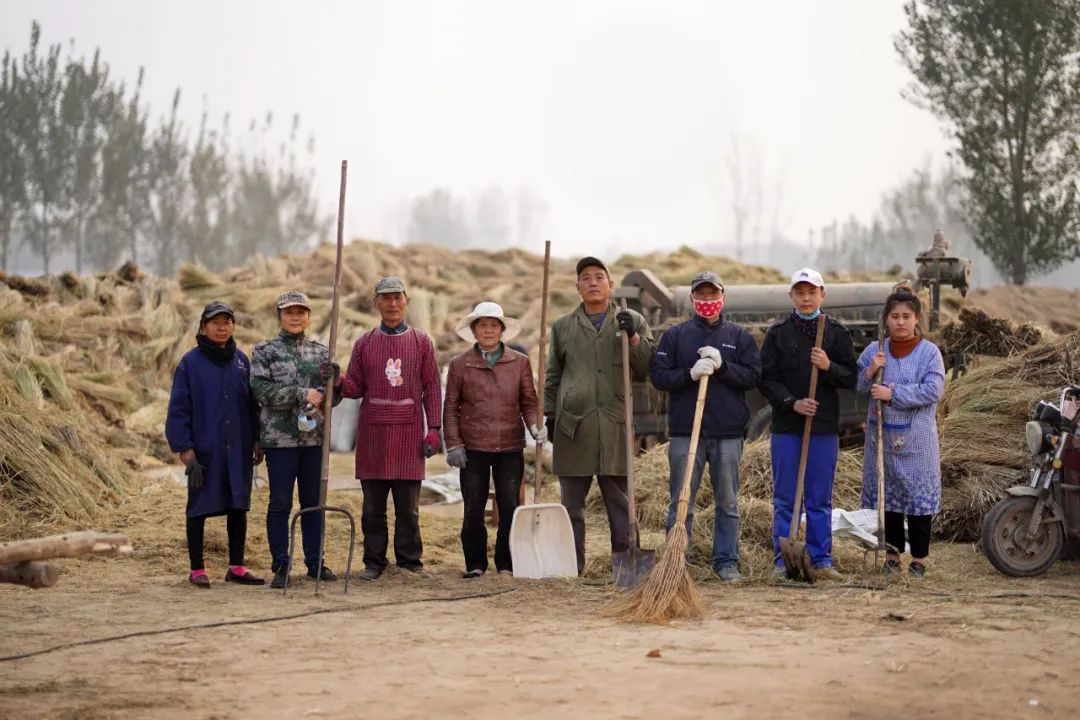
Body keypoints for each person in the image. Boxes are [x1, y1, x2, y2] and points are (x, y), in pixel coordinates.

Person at [545, 256, 656, 575]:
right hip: (573, 426)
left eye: (599, 277)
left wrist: (633, 337)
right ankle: (572, 566)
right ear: (578, 287)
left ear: (611, 284)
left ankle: (626, 567)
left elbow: (648, 365)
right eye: (586, 278)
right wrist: (550, 415)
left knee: (620, 501)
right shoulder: (563, 326)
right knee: (571, 505)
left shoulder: (630, 319)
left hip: (614, 424)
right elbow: (553, 374)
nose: (592, 282)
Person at [650, 271, 761, 582]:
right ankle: (677, 560)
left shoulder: (739, 337)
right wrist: (689, 374)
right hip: (686, 433)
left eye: (713, 294)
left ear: (722, 297)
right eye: (701, 294)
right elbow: (658, 376)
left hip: (727, 433)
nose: (707, 300)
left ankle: (726, 561)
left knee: (727, 502)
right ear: (692, 298)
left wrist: (723, 367)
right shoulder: (675, 336)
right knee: (681, 499)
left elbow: (754, 376)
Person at [337, 276, 443, 581]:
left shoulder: (421, 342)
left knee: (408, 508)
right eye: (386, 298)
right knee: (372, 508)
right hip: (373, 435)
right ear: (376, 303)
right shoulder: (364, 343)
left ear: (407, 301)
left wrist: (434, 428)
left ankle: (410, 561)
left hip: (409, 433)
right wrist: (337, 381)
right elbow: (355, 387)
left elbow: (432, 388)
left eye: (398, 297)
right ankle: (374, 561)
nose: (392, 303)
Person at [759, 268, 857, 580]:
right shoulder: (778, 334)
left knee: (819, 499)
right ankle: (782, 560)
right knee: (786, 498)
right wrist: (792, 402)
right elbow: (766, 378)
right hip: (787, 428)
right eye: (800, 292)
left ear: (822, 294)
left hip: (823, 428)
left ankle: (821, 560)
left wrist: (828, 366)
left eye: (811, 292)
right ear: (791, 296)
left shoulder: (836, 333)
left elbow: (853, 377)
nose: (806, 298)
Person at [165, 301, 265, 588]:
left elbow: (252, 405)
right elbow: (179, 408)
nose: (222, 328)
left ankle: (236, 567)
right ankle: (197, 568)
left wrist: (257, 439)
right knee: (198, 506)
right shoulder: (189, 363)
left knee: (238, 505)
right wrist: (185, 448)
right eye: (215, 323)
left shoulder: (241, 361)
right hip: (205, 448)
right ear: (203, 327)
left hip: (238, 446)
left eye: (227, 322)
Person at [443, 302, 544, 578]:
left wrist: (535, 426)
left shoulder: (519, 363)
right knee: (473, 508)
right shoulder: (460, 365)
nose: (488, 330)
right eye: (483, 325)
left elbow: (529, 402)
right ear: (474, 331)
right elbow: (450, 408)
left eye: (494, 325)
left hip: (509, 446)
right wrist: (454, 444)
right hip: (473, 448)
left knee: (510, 506)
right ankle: (475, 564)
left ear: (502, 330)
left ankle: (506, 563)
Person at [250, 290, 340, 589]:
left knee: (313, 503)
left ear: (309, 316)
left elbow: (333, 400)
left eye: (301, 312)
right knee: (280, 503)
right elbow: (261, 391)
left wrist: (335, 383)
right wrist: (302, 394)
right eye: (289, 312)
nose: (295, 317)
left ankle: (315, 562)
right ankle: (281, 564)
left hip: (314, 441)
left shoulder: (321, 353)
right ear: (279, 316)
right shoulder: (265, 352)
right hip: (280, 441)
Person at [857, 287, 945, 578]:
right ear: (886, 319)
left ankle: (918, 560)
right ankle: (892, 556)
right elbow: (859, 386)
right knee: (889, 498)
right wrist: (871, 371)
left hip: (918, 441)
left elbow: (933, 390)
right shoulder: (875, 350)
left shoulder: (929, 353)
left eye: (906, 316)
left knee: (917, 501)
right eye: (894, 316)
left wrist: (891, 393)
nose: (900, 322)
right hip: (881, 439)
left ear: (916, 318)